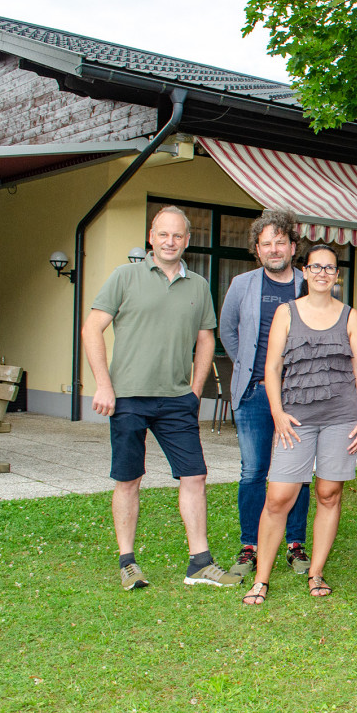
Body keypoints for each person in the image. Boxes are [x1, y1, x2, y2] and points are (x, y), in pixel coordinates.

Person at [83, 205, 240, 590]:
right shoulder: (125, 276)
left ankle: (200, 563)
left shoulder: (199, 286)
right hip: (128, 398)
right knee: (128, 478)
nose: (170, 242)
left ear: (188, 240)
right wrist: (104, 385)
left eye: (178, 235)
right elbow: (92, 329)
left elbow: (206, 337)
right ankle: (128, 562)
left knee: (195, 475)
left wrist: (195, 388)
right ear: (151, 237)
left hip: (176, 400)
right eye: (163, 234)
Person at [243, 244, 357, 604]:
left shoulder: (350, 316)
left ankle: (316, 573)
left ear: (337, 275)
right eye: (315, 267)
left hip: (341, 418)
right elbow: (272, 368)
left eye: (329, 268)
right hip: (295, 419)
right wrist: (277, 413)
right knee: (278, 497)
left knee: (329, 494)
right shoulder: (287, 313)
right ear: (304, 272)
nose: (322, 273)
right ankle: (262, 578)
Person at [219, 209, 311, 580]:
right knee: (254, 471)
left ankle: (295, 543)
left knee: (298, 472)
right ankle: (250, 546)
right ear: (257, 249)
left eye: (280, 242)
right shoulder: (242, 285)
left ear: (293, 246)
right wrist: (246, 366)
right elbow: (228, 332)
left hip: (298, 398)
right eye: (266, 243)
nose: (274, 249)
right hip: (254, 393)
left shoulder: (307, 284)